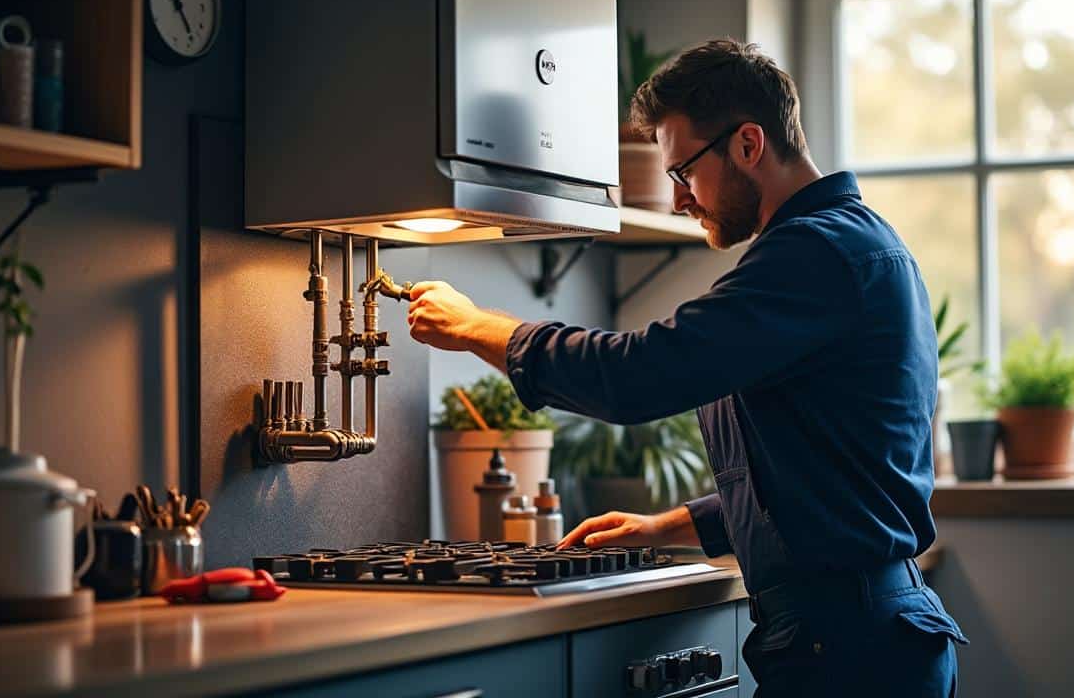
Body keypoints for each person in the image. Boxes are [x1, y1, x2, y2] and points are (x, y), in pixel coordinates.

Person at [406, 38, 966, 696]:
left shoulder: (815, 254)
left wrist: (476, 326)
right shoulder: (857, 243)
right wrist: (673, 525)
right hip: (866, 635)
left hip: (848, 649)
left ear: (748, 145)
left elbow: (639, 374)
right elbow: (826, 469)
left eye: (685, 172)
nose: (678, 199)